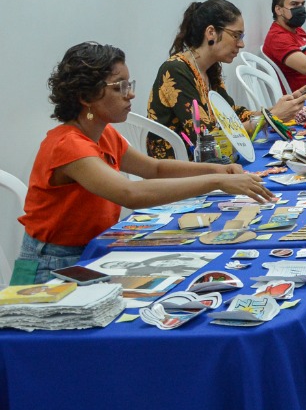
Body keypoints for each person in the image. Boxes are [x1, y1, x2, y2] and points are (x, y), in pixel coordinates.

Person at [13, 42, 272, 284]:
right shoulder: (69, 145)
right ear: (86, 96)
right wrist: (217, 182)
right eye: (120, 87)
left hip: (91, 247)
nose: (131, 94)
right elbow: (131, 194)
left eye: (129, 84)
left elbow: (153, 168)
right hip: (51, 264)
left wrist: (217, 168)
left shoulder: (103, 132)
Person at [147, 0, 306, 160]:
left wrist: (275, 110)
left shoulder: (209, 68)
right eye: (236, 36)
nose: (241, 44)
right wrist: (269, 118)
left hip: (212, 162)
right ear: (211, 32)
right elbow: (208, 140)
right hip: (182, 169)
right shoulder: (176, 70)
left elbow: (232, 115)